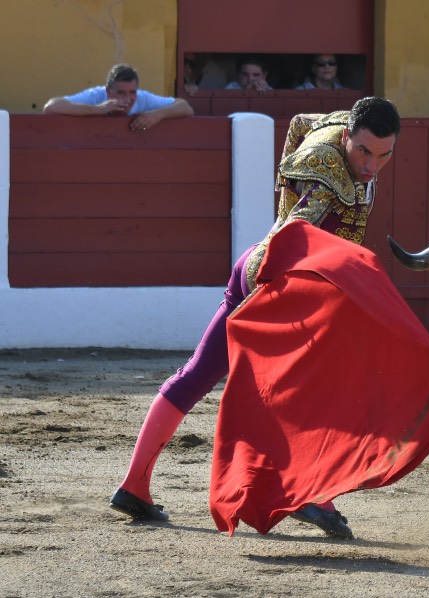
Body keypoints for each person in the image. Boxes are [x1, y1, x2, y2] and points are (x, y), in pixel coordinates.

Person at [109, 97, 408, 539]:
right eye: (364, 152)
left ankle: (133, 487)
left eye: (384, 155)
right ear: (348, 137)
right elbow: (296, 235)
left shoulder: (346, 126)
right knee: (315, 390)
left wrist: (280, 202)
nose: (371, 165)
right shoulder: (322, 170)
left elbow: (302, 120)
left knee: (198, 374)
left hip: (256, 267)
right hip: (280, 282)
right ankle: (311, 495)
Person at [43, 63, 193, 132]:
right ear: (108, 91)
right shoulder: (97, 96)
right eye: (121, 93)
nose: (128, 98)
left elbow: (185, 107)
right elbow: (51, 107)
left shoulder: (143, 98)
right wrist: (97, 110)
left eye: (132, 92)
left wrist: (157, 114)